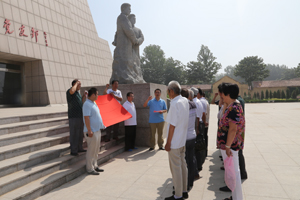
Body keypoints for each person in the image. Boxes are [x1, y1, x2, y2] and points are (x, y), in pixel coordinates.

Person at [217, 83, 245, 200]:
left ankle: (238, 198)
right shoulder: (230, 106)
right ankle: (234, 197)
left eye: (222, 93)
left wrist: (228, 146)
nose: (221, 95)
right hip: (229, 146)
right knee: (232, 173)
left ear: (228, 94)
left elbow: (233, 129)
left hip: (231, 146)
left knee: (235, 173)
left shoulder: (234, 108)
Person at [165, 81, 189, 200]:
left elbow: (172, 126)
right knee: (183, 165)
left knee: (176, 169)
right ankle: (184, 190)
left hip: (175, 142)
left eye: (168, 91)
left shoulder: (174, 104)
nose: (168, 94)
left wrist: (168, 142)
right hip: (182, 140)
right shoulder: (185, 100)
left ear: (172, 91)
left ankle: (178, 195)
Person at [83, 88, 105, 175]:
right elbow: (86, 118)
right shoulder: (87, 104)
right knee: (91, 150)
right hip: (91, 131)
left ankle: (95, 165)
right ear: (93, 95)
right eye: (97, 94)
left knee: (96, 150)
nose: (98, 96)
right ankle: (89, 168)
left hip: (97, 130)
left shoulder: (93, 103)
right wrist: (89, 130)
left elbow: (96, 116)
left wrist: (101, 125)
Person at [181, 88, 198, 191]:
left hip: (185, 137)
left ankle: (186, 184)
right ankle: (190, 182)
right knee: (191, 160)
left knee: (185, 161)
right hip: (192, 135)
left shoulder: (183, 105)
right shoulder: (193, 104)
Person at [66, 79, 87, 156]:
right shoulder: (70, 91)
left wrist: (84, 96)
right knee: (74, 134)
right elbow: (72, 91)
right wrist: (75, 84)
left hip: (79, 116)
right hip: (73, 116)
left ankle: (79, 148)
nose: (80, 86)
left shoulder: (77, 93)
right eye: (79, 84)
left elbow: (80, 102)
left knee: (79, 133)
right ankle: (74, 150)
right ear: (74, 84)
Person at [190, 87, 205, 172]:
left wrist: (196, 128)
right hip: (199, 124)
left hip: (197, 125)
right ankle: (199, 165)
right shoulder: (198, 101)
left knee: (196, 148)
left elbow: (197, 118)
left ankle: (196, 167)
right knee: (199, 147)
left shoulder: (194, 102)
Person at [198, 88, 208, 157]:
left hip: (203, 123)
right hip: (205, 122)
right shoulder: (205, 101)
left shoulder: (201, 102)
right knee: (204, 138)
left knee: (202, 140)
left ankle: (203, 154)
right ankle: (204, 153)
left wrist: (204, 122)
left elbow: (203, 114)